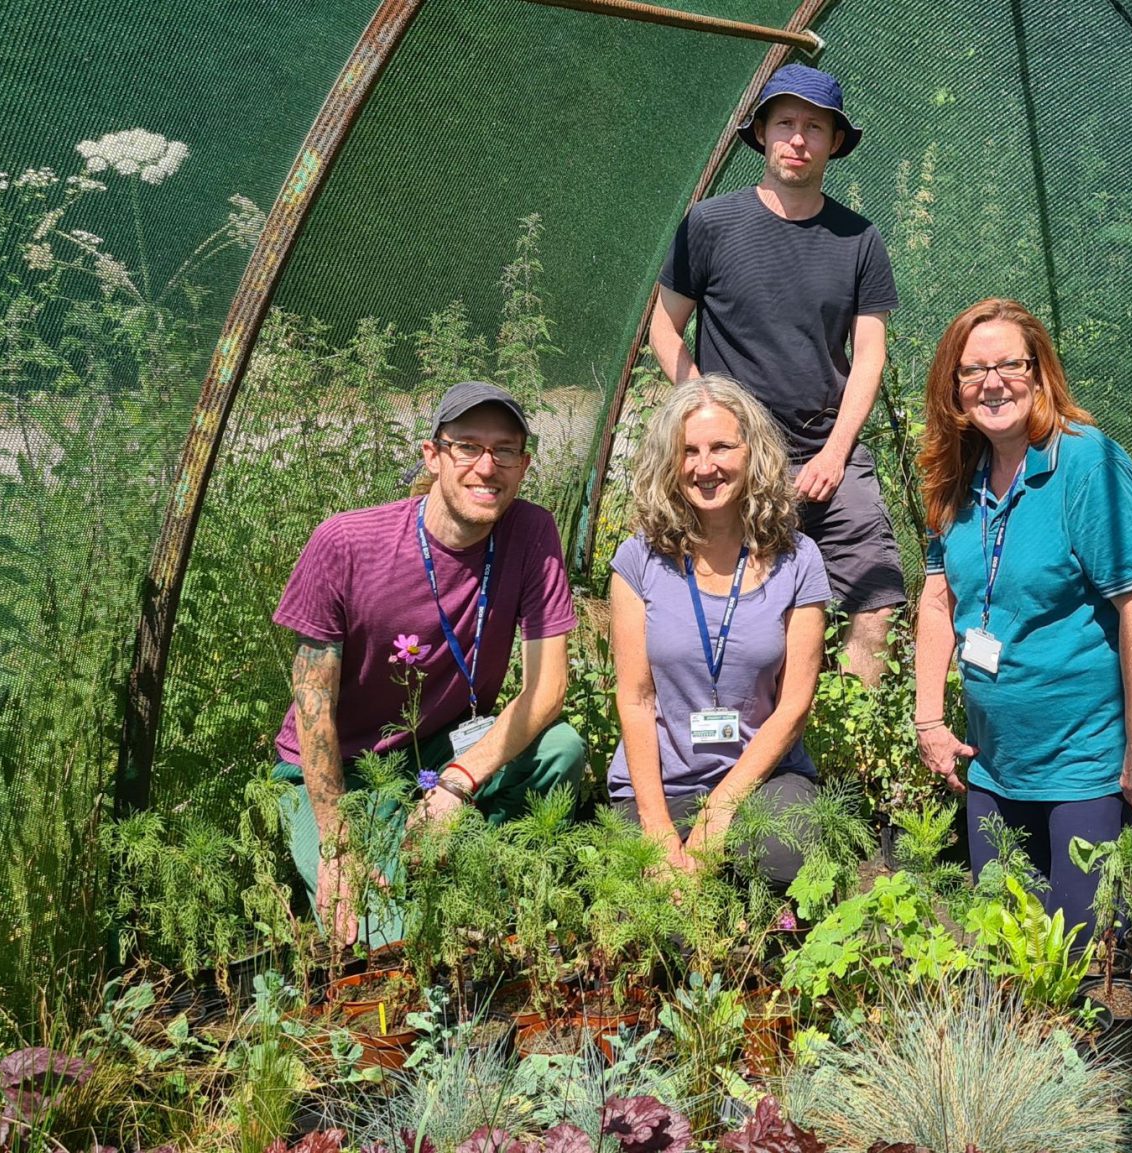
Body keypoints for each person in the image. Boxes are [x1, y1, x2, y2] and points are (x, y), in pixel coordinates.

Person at [272, 381, 588, 947]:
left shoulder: (531, 533)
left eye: (505, 451)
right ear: (432, 454)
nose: (486, 467)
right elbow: (312, 703)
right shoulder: (346, 543)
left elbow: (548, 689)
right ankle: (396, 878)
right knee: (379, 934)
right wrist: (337, 840)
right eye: (467, 446)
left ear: (523, 464)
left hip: (442, 752)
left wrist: (456, 785)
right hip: (339, 774)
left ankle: (479, 873)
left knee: (561, 749)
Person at [910, 299, 1132, 932]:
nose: (993, 383)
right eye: (973, 371)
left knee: (1076, 952)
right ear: (954, 387)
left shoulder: (1087, 464)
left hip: (1084, 760)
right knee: (1001, 943)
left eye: (1010, 365)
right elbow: (939, 599)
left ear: (1041, 372)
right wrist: (928, 720)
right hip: (996, 761)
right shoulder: (953, 473)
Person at [647, 63, 903, 685]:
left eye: (815, 127)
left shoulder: (858, 238)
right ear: (761, 134)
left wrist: (836, 454)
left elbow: (869, 353)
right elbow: (663, 327)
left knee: (878, 600)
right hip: (737, 457)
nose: (798, 139)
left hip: (828, 453)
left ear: (835, 142)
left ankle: (852, 745)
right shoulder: (710, 224)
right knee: (743, 608)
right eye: (784, 123)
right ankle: (748, 746)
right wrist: (707, 406)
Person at [607, 376, 831, 885]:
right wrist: (658, 829)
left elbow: (794, 704)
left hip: (762, 781)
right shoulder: (639, 561)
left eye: (722, 447)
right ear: (670, 461)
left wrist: (719, 812)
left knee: (783, 860)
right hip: (664, 783)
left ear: (753, 453)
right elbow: (636, 701)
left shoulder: (798, 561)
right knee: (644, 901)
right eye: (689, 451)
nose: (704, 466)